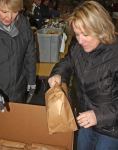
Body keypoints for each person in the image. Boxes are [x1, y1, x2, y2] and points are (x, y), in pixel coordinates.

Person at [48, 1, 118, 150]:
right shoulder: (78, 47)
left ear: (101, 29)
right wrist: (58, 74)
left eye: (85, 34)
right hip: (85, 120)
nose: (80, 40)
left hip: (111, 129)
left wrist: (98, 116)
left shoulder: (115, 54)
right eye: (77, 34)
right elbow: (67, 61)